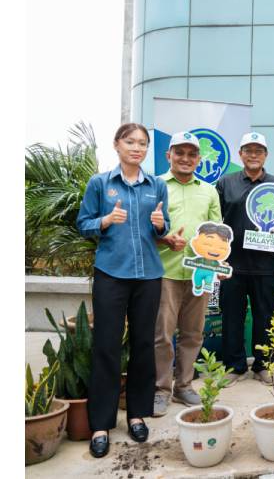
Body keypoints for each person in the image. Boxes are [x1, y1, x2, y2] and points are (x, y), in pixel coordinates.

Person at [76, 123, 170, 458]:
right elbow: (83, 223)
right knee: (106, 346)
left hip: (148, 276)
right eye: (130, 142)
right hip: (111, 275)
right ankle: (101, 425)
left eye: (142, 143)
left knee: (145, 345)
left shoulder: (156, 185)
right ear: (117, 145)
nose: (137, 148)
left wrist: (161, 225)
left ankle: (137, 415)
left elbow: (163, 227)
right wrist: (103, 220)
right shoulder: (100, 183)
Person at [152, 131, 222, 417]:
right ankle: (160, 389)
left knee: (193, 334)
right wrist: (165, 237)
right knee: (162, 335)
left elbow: (218, 233)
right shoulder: (155, 185)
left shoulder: (209, 190)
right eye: (179, 152)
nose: (185, 158)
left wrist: (219, 263)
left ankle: (184, 386)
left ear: (199, 159)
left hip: (200, 273)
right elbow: (144, 227)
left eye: (192, 154)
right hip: (164, 271)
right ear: (169, 155)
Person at [216, 132, 274, 386]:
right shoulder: (226, 183)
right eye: (248, 150)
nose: (253, 154)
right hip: (233, 264)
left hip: (266, 264)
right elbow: (217, 222)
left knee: (265, 316)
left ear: (265, 155)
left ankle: (263, 364)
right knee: (232, 316)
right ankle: (234, 366)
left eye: (258, 150)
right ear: (241, 154)